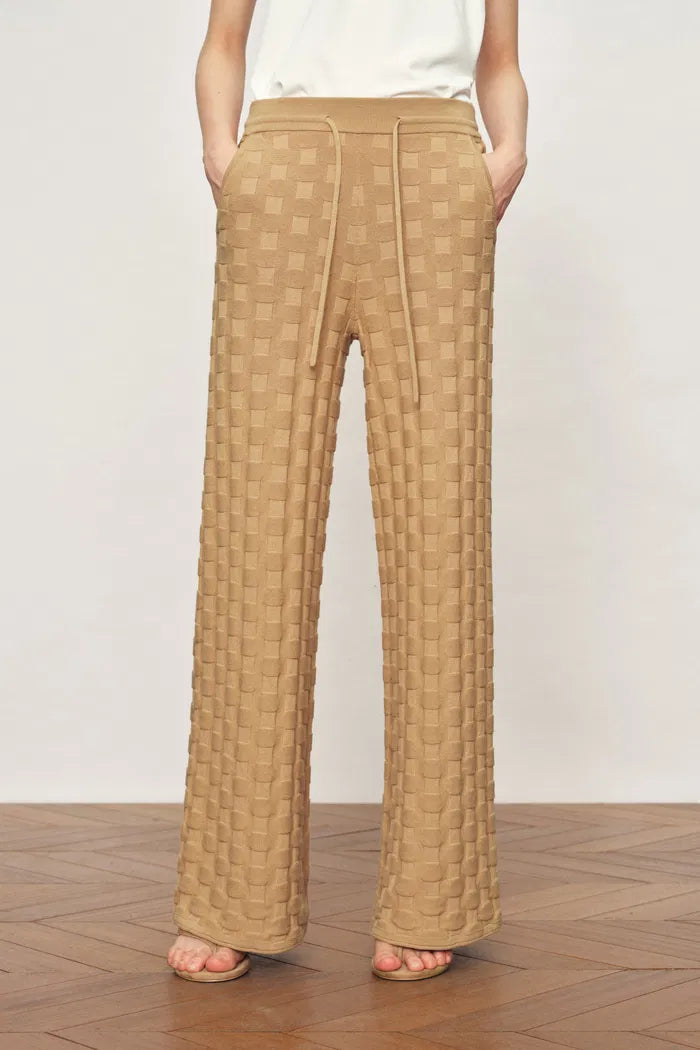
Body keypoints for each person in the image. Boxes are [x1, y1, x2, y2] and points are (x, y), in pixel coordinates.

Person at [168, 0, 528, 983]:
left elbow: (500, 54)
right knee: (256, 522)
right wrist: (222, 154)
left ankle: (434, 892)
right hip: (284, 166)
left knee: (440, 528)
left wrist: (507, 152)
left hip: (436, 167)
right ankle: (232, 894)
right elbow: (225, 39)